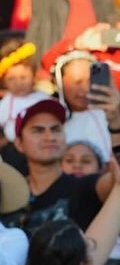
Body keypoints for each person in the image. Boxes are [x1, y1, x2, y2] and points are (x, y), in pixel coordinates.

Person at [9, 98, 117, 233]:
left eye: (56, 129)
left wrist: (116, 125)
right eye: (38, 130)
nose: (50, 137)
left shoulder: (84, 187)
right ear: (19, 143)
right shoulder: (7, 194)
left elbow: (116, 182)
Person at [55, 51, 120, 163]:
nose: (85, 88)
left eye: (90, 80)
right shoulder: (50, 117)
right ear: (60, 82)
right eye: (77, 82)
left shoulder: (112, 114)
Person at [0, 40, 47, 146]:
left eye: (23, 77)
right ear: (4, 81)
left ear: (34, 76)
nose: (18, 83)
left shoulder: (44, 99)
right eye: (11, 79)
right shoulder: (6, 103)